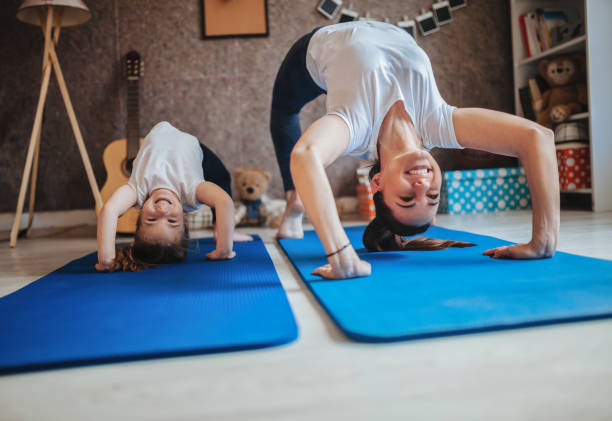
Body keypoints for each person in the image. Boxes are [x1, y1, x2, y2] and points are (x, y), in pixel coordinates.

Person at [270, 21, 559, 280]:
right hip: (388, 29)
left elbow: (305, 154)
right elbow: (538, 137)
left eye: (408, 198)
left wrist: (341, 254)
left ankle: (295, 200)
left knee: (283, 113)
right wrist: (543, 241)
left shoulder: (356, 129)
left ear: (378, 182)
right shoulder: (438, 123)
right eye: (433, 196)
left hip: (319, 46)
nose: (422, 186)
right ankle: (299, 199)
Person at [96, 121, 251, 272]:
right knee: (222, 179)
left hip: (155, 142)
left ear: (140, 214)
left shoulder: (138, 191)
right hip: (191, 148)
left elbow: (109, 210)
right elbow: (224, 201)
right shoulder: (191, 191)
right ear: (185, 219)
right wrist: (224, 248)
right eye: (172, 220)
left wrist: (106, 259)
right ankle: (220, 228)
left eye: (151, 220)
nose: (162, 211)